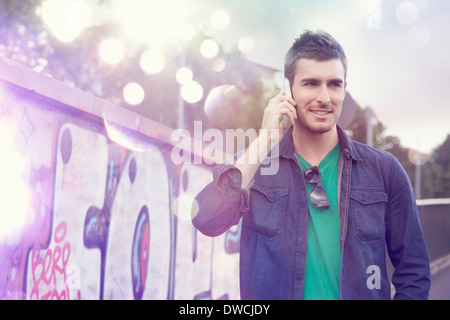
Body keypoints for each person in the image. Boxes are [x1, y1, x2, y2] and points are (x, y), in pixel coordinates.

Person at [192, 30, 430, 300]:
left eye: (334, 84)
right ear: (287, 89)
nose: (324, 97)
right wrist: (264, 141)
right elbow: (207, 220)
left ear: (344, 89)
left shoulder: (384, 170)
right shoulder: (257, 165)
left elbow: (414, 270)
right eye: (311, 83)